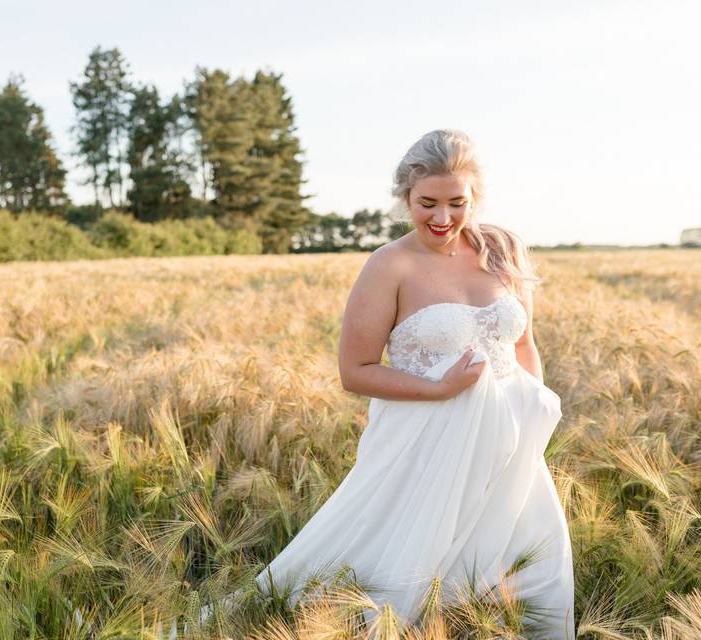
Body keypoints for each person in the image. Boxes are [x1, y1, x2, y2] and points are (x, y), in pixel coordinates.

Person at [242, 130, 575, 637]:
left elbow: (524, 344)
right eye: (427, 204)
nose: (442, 219)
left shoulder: (503, 250)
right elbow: (355, 371)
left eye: (457, 203)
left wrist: (534, 420)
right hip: (423, 444)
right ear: (404, 198)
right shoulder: (388, 265)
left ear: (475, 197)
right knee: (406, 575)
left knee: (525, 571)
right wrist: (441, 390)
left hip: (510, 443)